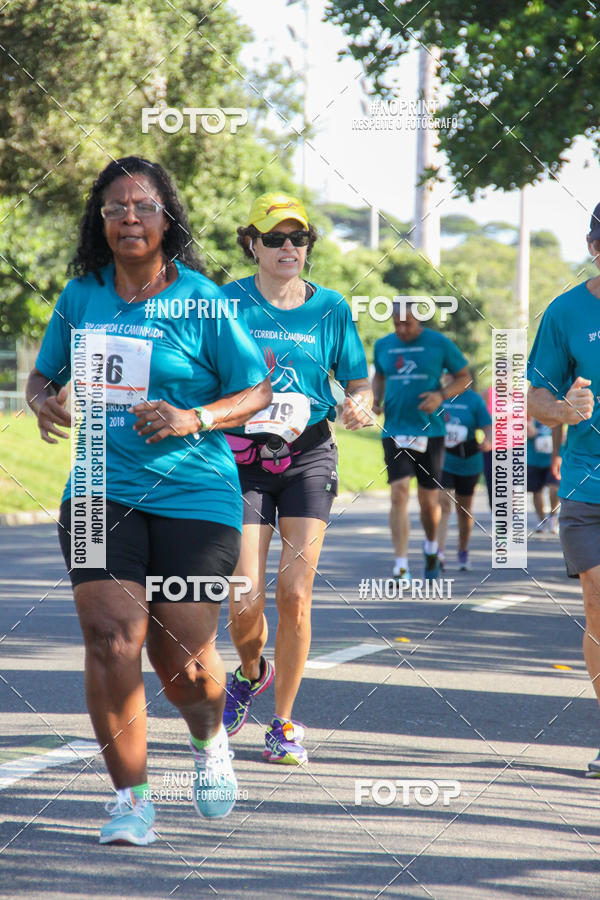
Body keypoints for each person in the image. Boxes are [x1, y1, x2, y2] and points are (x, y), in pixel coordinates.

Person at [26, 157, 271, 843]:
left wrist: (193, 418)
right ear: (98, 221)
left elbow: (257, 391)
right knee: (111, 640)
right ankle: (131, 801)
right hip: (101, 490)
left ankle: (208, 741)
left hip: (195, 495)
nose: (128, 218)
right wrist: (45, 402)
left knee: (184, 663)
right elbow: (44, 374)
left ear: (168, 219)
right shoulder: (82, 296)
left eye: (142, 207)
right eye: (113, 209)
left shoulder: (204, 300)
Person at [219, 192, 372, 765]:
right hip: (240, 458)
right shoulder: (225, 304)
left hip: (309, 455)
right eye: (275, 238)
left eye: (298, 238)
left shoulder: (331, 307)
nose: (288, 248)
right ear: (252, 243)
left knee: (296, 593)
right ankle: (252, 671)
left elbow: (356, 381)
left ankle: (282, 724)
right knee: (244, 595)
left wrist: (358, 404)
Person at [527, 200, 600, 777]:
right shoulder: (565, 312)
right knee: (599, 608)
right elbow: (533, 399)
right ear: (593, 246)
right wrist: (566, 410)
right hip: (586, 484)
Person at [372, 304, 470, 582]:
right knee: (398, 493)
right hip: (394, 429)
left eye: (408, 324)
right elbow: (379, 375)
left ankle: (430, 547)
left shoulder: (439, 343)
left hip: (431, 432)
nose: (402, 329)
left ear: (419, 320)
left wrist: (441, 395)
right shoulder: (383, 345)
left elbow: (464, 377)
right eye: (396, 324)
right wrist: (376, 401)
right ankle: (401, 565)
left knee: (429, 502)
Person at [437, 374, 492, 571]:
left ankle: (463, 549)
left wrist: (488, 439)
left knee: (464, 510)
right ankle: (438, 554)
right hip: (443, 459)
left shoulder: (474, 400)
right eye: (447, 373)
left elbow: (488, 426)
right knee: (443, 504)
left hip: (468, 460)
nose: (448, 377)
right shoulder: (439, 397)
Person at [526, 417, 560, 534]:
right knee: (536, 492)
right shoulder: (530, 415)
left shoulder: (555, 414)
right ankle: (542, 520)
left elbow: (564, 433)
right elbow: (527, 433)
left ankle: (553, 517)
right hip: (533, 460)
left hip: (552, 460)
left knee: (554, 489)